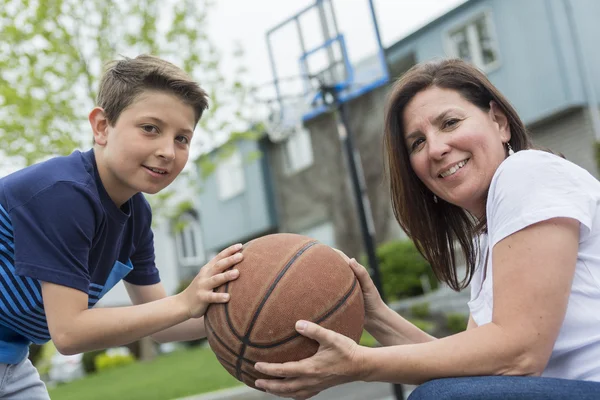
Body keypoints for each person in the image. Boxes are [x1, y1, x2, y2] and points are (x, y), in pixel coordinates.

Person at [252, 58, 600, 399]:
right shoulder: (489, 237)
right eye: (417, 142)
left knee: (439, 397)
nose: (435, 148)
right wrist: (375, 315)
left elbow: (519, 354)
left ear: (498, 121)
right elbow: (476, 366)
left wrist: (359, 363)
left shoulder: (526, 172)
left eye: (449, 123)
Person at [0, 54, 243, 399]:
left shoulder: (136, 214)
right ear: (102, 127)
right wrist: (185, 302)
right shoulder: (63, 194)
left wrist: (252, 313)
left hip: (11, 361)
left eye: (182, 139)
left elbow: (163, 323)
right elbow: (69, 333)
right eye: (150, 128)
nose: (168, 151)